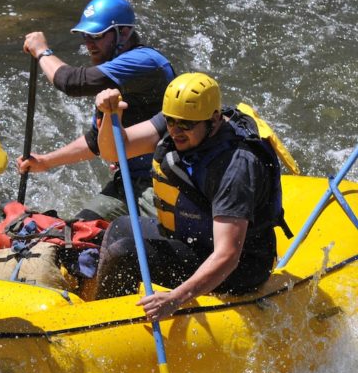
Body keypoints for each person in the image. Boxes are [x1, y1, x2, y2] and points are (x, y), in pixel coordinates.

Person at [92, 73, 287, 321]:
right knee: (121, 227)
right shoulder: (185, 118)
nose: (175, 130)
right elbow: (113, 150)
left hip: (241, 266)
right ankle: (111, 308)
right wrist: (110, 116)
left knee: (126, 253)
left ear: (214, 119)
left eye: (185, 125)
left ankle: (110, 328)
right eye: (170, 121)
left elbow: (228, 256)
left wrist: (175, 299)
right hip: (196, 239)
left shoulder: (235, 168)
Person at [20, 0, 175, 221]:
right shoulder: (114, 77)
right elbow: (96, 141)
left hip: (162, 182)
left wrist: (43, 52)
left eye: (97, 35)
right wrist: (45, 161)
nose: (89, 44)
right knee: (74, 235)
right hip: (127, 182)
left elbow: (73, 82)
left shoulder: (145, 62)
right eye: (85, 36)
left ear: (124, 32)